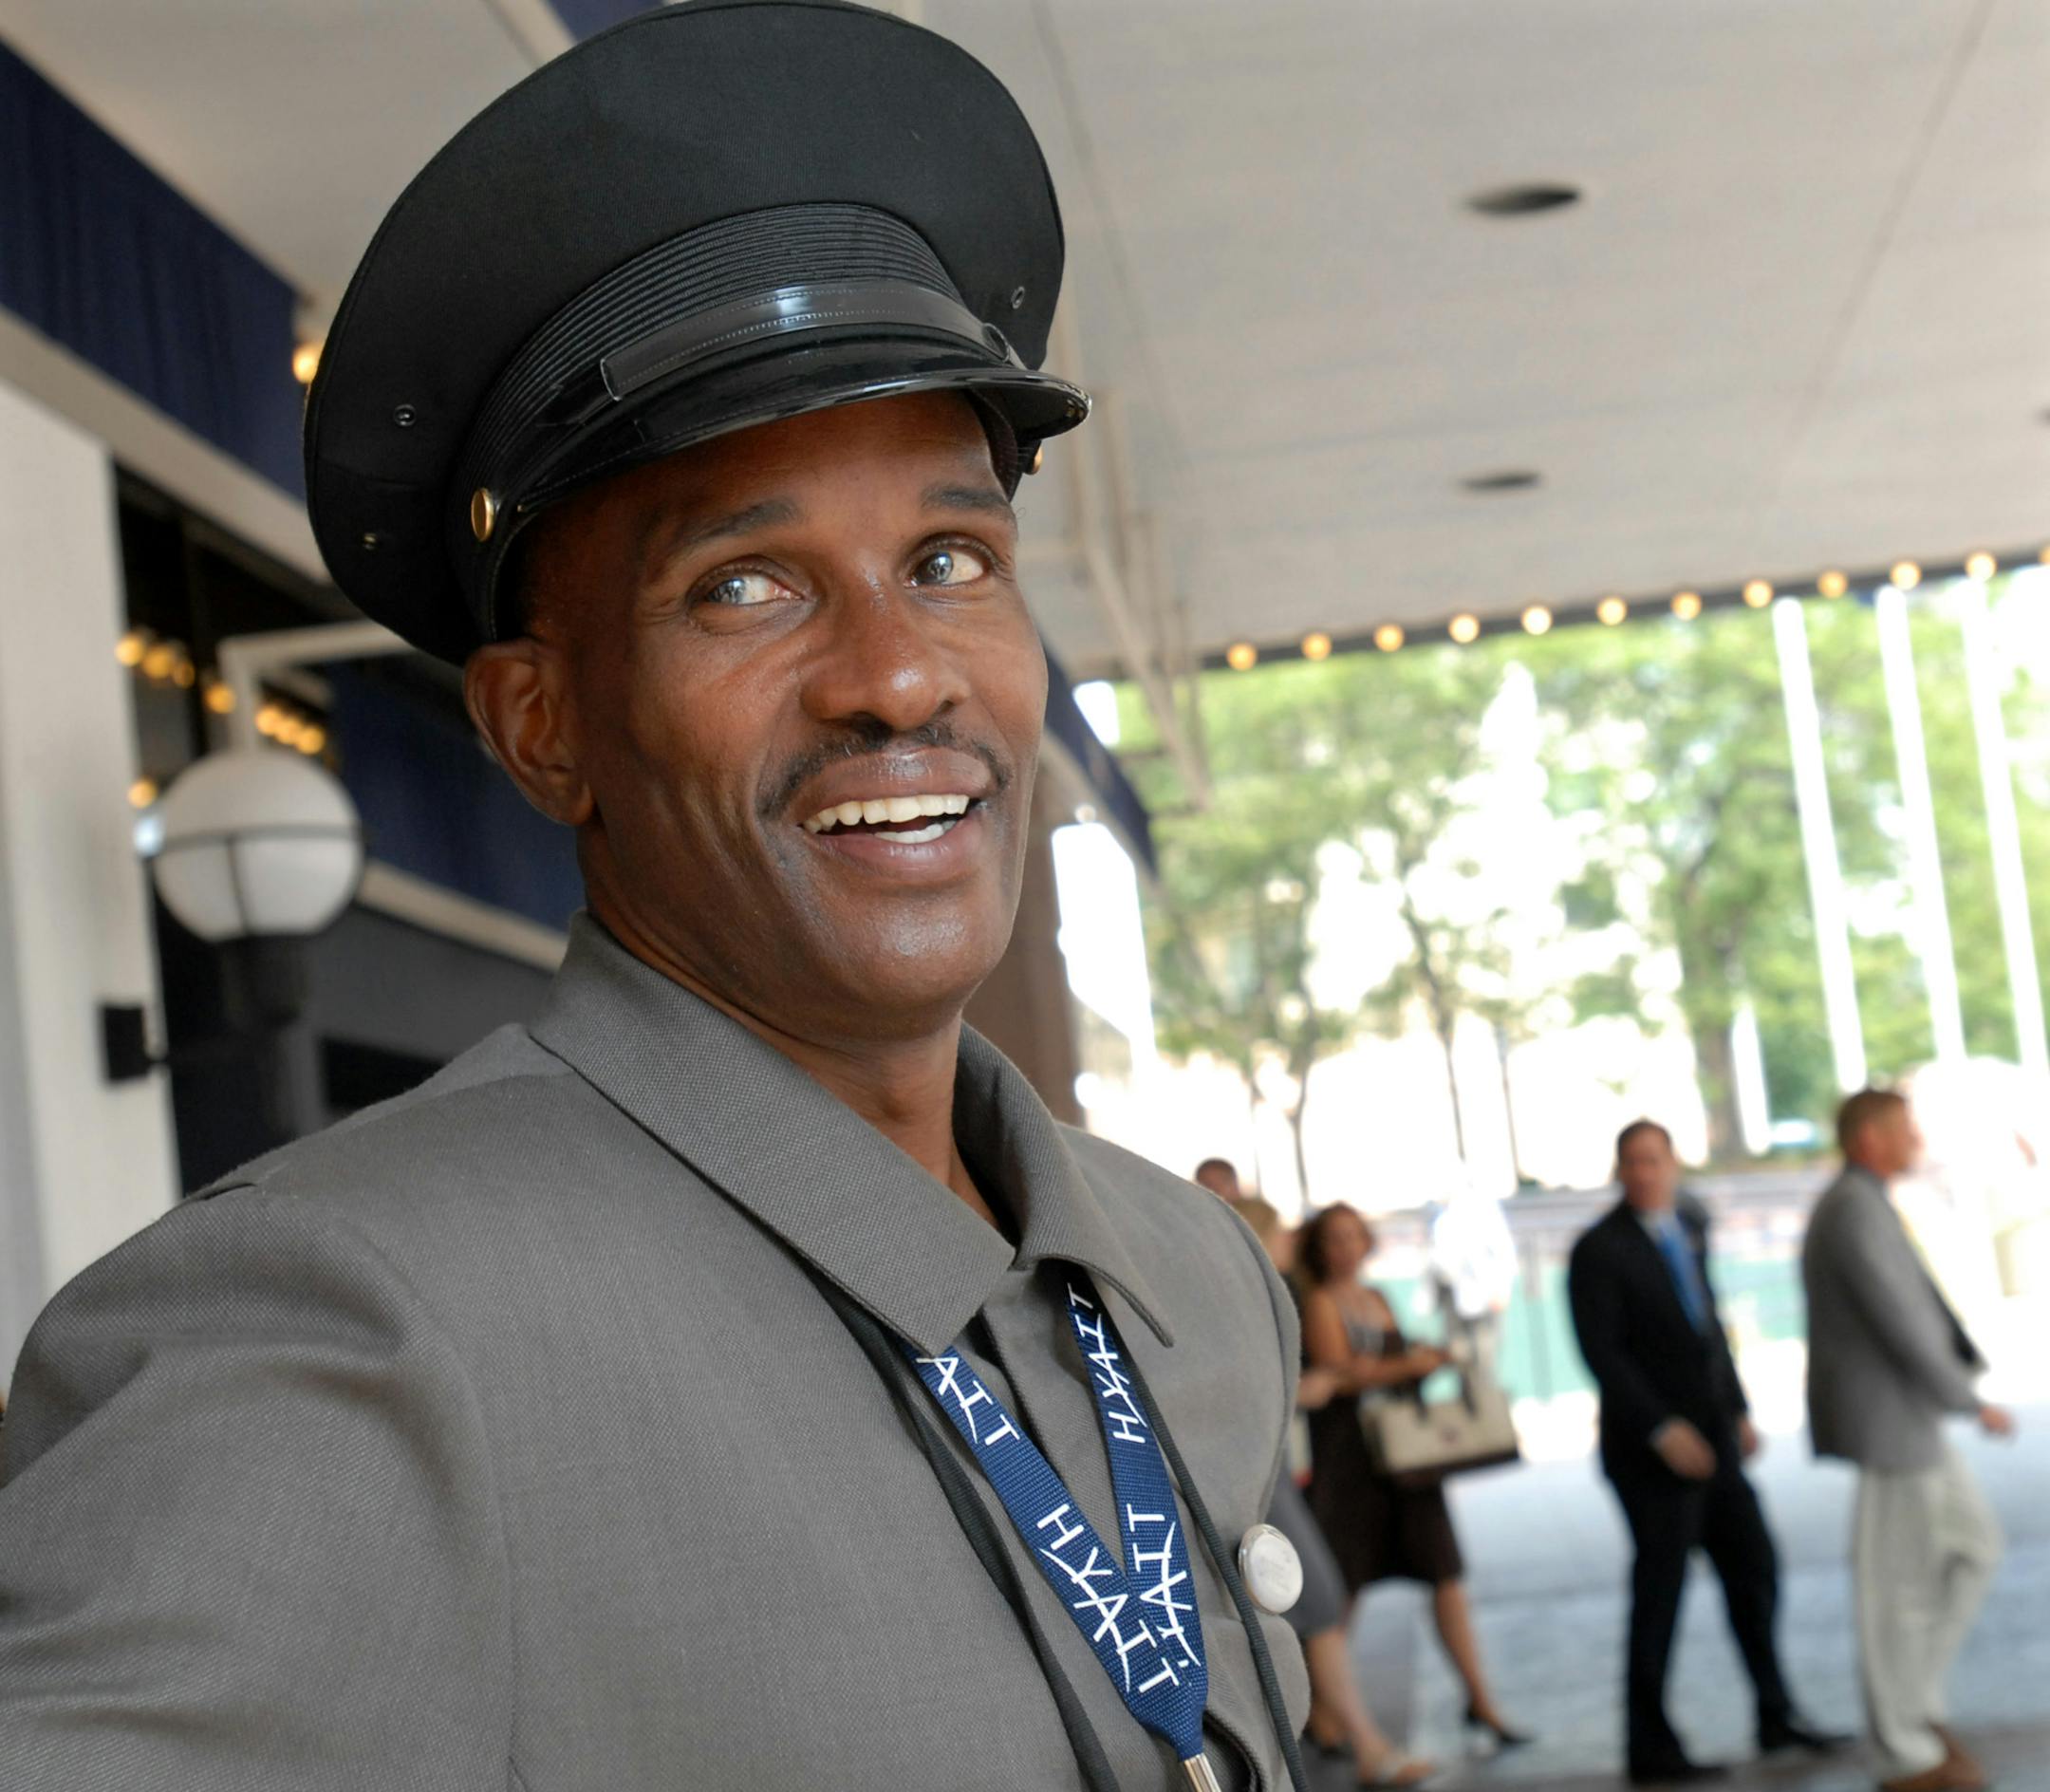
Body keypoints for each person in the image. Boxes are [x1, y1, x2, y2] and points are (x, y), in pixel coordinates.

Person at [0, 8, 1311, 1787]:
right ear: (545, 727)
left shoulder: (1187, 1275)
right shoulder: (347, 1332)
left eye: (948, 559)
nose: (896, 673)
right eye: (747, 588)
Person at [1568, 1119, 1843, 1784]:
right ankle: (1650, 1744)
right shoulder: (1598, 1250)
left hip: (1715, 1439)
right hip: (1649, 1455)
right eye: (1631, 1162)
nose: (1644, 1173)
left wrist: (1739, 1408)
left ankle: (1775, 1713)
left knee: (1755, 1568)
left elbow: (1709, 1326)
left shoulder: (1688, 1227)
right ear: (1618, 1168)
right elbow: (1604, 1354)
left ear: (1673, 1165)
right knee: (1660, 1592)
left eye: (1654, 1161)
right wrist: (1662, 1429)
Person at [1802, 1089, 2013, 1792]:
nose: (1915, 1139)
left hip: (1909, 1420)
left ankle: (1916, 1710)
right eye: (1904, 1129)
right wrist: (1966, 1399)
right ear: (1869, 1138)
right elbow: (1901, 1318)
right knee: (1891, 1590)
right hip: (1891, 1423)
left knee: (1973, 1549)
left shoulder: (1866, 1203)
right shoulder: (1853, 1210)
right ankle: (1900, 1749)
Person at [1297, 1204, 1528, 1753]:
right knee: (1341, 1588)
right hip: (1354, 1465)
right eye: (1336, 1239)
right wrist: (1412, 1366)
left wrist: (1423, 1359)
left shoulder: (1376, 1298)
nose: (1347, 1248)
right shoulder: (1320, 1303)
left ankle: (1480, 1698)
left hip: (1405, 1462)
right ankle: (1320, 1709)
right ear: (1320, 1247)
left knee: (1443, 1574)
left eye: (1355, 1236)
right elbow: (1341, 1373)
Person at [1228, 1195, 1435, 1787]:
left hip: (1275, 1468)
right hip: (1266, 1474)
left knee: (1319, 1602)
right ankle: (1359, 1742)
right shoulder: (1257, 1301)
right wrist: (1308, 1386)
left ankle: (1341, 1731)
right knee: (1319, 1598)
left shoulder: (1263, 1298)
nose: (1293, 1245)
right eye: (1283, 1235)